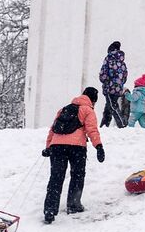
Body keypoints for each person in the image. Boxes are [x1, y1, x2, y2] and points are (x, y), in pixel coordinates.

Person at [41, 86, 104, 224]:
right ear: (93, 100)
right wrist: (98, 146)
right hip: (77, 148)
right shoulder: (88, 110)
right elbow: (92, 130)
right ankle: (74, 205)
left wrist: (48, 147)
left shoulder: (64, 109)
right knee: (77, 175)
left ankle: (50, 210)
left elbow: (53, 129)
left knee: (56, 177)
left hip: (57, 147)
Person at [98, 41, 129, 127]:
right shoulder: (122, 62)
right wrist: (119, 84)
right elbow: (125, 76)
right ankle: (104, 126)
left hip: (109, 87)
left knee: (112, 106)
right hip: (118, 88)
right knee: (108, 107)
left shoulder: (109, 58)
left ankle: (122, 124)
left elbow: (103, 73)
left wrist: (104, 81)